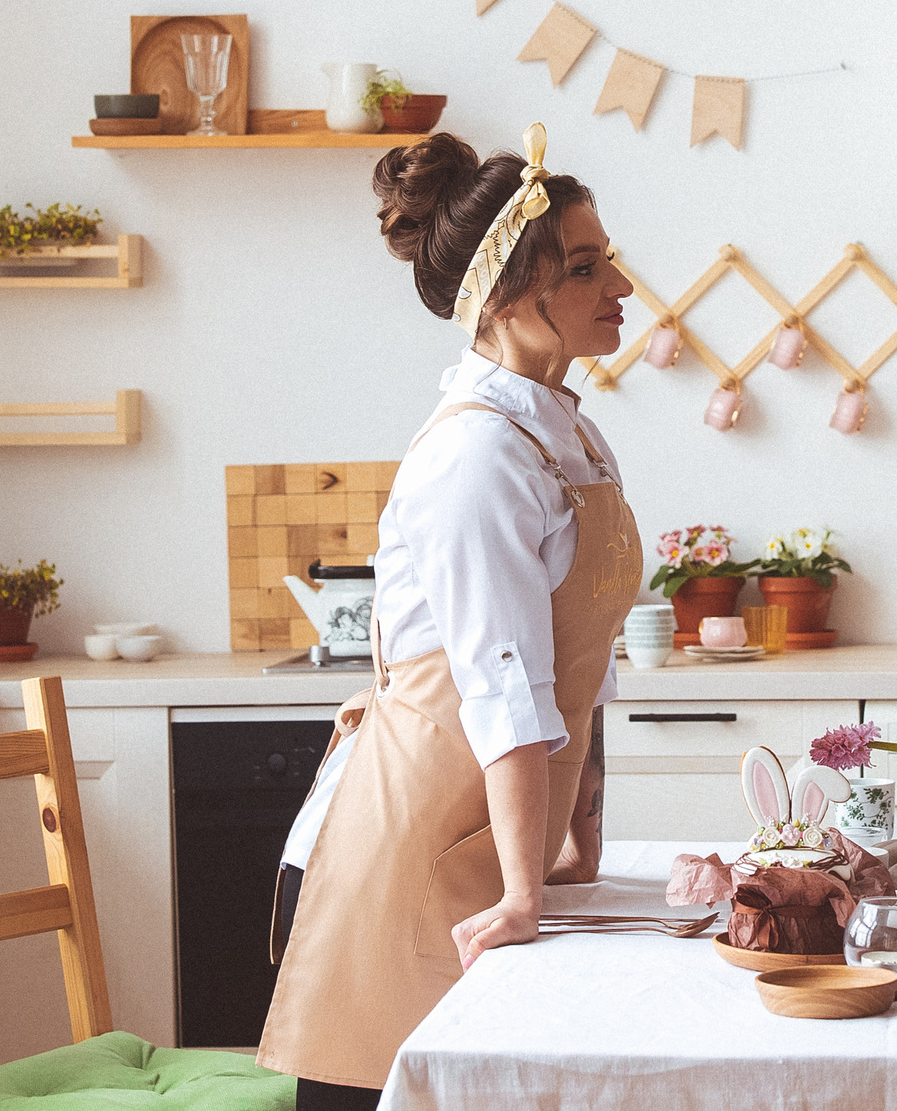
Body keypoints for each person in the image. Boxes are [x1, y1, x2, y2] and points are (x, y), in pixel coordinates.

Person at [258, 126, 642, 1110]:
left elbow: (581, 666)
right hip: (408, 856)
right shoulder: (479, 459)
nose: (622, 287)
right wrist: (522, 886)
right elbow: (503, 686)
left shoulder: (569, 436)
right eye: (587, 268)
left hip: (491, 840)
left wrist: (577, 833)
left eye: (611, 259)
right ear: (510, 298)